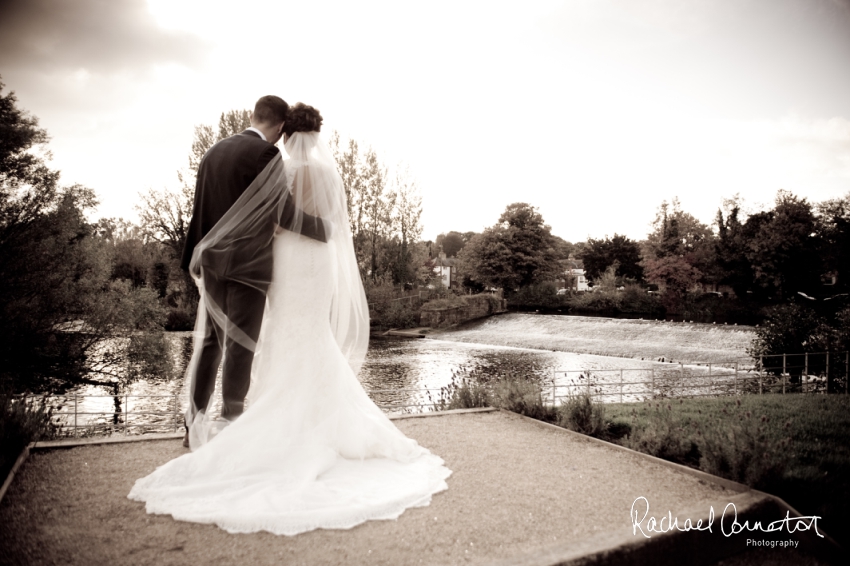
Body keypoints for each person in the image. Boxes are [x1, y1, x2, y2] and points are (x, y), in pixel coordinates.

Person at [128, 102, 451, 535]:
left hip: (211, 261)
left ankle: (194, 423)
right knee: (243, 344)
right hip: (251, 266)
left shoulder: (213, 152)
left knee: (210, 342)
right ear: (281, 126)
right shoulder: (269, 157)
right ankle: (232, 426)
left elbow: (201, 210)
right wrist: (325, 232)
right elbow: (278, 213)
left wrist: (195, 259)